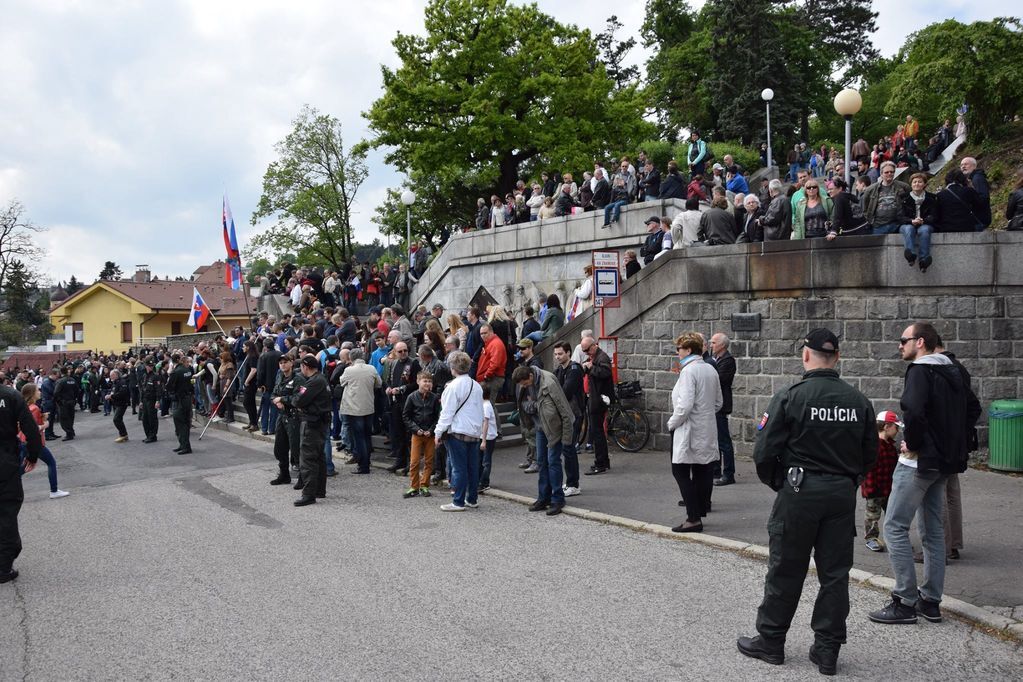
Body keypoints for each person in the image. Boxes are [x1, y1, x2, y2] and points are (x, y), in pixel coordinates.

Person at [738, 328, 877, 676]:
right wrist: (849, 481)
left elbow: (764, 451)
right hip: (840, 495)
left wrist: (780, 484)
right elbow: (870, 455)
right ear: (838, 358)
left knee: (786, 568)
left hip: (799, 492)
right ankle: (827, 651)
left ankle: (771, 642)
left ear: (805, 355)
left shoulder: (791, 396)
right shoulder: (858, 401)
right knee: (835, 575)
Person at [868, 322, 968, 626]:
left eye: (904, 340)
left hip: (917, 462)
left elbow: (913, 409)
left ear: (920, 342)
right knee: (933, 531)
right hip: (944, 461)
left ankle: (904, 601)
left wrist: (913, 442)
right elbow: (972, 409)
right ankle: (930, 601)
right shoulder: (955, 370)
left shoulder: (920, 370)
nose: (900, 346)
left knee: (895, 527)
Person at [667, 332, 723, 533]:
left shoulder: (689, 372)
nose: (677, 352)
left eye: (679, 349)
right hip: (706, 427)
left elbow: (685, 405)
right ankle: (700, 509)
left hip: (688, 428)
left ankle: (693, 517)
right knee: (702, 469)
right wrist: (704, 414)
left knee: (680, 470)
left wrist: (671, 423)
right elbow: (718, 402)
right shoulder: (710, 369)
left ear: (688, 350)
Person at [513, 364, 575, 516]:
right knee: (542, 462)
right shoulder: (525, 384)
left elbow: (565, 410)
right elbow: (524, 405)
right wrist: (534, 406)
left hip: (554, 429)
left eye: (525, 383)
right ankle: (544, 497)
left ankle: (557, 499)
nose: (524, 387)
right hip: (540, 427)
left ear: (530, 377)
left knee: (553, 462)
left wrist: (567, 439)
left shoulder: (549, 382)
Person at [0, 379, 43, 584]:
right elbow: (30, 428)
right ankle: (3, 567)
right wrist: (33, 455)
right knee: (7, 510)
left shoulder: (11, 395)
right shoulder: (10, 395)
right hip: (5, 462)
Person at [434, 351, 484, 512]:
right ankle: (472, 498)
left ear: (452, 367)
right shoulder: (476, 385)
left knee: (458, 467)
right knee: (472, 467)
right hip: (474, 431)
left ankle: (458, 501)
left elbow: (447, 412)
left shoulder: (452, 386)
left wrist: (438, 432)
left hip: (458, 431)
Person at [291, 356, 332, 506]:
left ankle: (309, 494)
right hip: (319, 421)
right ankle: (319, 490)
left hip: (312, 422)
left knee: (308, 458)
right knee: (318, 457)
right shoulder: (321, 379)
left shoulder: (314, 381)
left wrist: (298, 402)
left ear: (305, 366)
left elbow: (298, 400)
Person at [19, 384, 68, 500]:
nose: (40, 392)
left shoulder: (26, 406)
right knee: (51, 463)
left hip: (23, 440)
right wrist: (45, 424)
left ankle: (6, 485)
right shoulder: (34, 408)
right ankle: (54, 490)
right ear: (32, 394)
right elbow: (33, 428)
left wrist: (43, 417)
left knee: (21, 467)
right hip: (34, 442)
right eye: (37, 390)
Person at [863, 411, 902, 552]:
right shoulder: (874, 446)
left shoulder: (890, 445)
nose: (898, 430)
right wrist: (870, 489)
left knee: (893, 514)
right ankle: (871, 538)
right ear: (886, 426)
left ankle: (895, 539)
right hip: (875, 488)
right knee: (872, 515)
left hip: (889, 487)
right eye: (896, 427)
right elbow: (869, 469)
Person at [337, 348, 381, 475]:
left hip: (354, 408)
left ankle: (363, 465)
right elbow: (379, 383)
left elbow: (341, 381)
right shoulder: (371, 368)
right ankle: (366, 462)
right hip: (368, 407)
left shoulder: (349, 370)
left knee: (359, 437)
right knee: (367, 436)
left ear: (351, 358)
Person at [553, 341, 584, 498]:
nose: (558, 357)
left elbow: (565, 391)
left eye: (560, 354)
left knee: (569, 448)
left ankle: (573, 484)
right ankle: (571, 482)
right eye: (556, 354)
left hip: (574, 414)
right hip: (565, 415)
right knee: (567, 449)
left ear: (568, 353)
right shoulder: (559, 370)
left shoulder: (574, 370)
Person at [402, 371, 440, 498]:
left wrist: (432, 429)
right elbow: (406, 416)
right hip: (417, 434)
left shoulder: (434, 398)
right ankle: (414, 486)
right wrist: (415, 429)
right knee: (414, 461)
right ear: (418, 382)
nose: (427, 383)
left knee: (429, 461)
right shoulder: (412, 397)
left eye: (429, 381)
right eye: (425, 381)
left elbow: (437, 416)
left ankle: (424, 485)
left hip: (430, 434)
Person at [581, 336, 613, 475]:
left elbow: (605, 373)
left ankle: (600, 463)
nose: (587, 353)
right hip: (596, 398)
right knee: (597, 431)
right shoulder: (596, 356)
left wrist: (591, 368)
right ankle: (604, 461)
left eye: (587, 350)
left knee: (597, 432)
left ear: (594, 345)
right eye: (584, 351)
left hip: (598, 399)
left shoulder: (602, 357)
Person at [270, 354, 302, 485]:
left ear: (291, 363)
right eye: (280, 363)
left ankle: (303, 478)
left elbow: (298, 398)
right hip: (282, 415)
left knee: (296, 449)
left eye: (285, 362)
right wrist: (276, 401)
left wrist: (282, 399)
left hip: (294, 417)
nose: (282, 364)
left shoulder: (298, 379)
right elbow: (273, 394)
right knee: (279, 448)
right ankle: (284, 475)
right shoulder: (279, 376)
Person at [709, 333, 736, 487]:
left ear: (722, 345)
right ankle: (716, 471)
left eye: (714, 342)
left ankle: (729, 473)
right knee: (716, 440)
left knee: (724, 442)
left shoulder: (728, 361)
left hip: (721, 405)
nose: (711, 345)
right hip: (715, 404)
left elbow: (719, 380)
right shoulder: (716, 360)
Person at [900, 172, 941, 272]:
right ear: (911, 184)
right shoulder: (903, 198)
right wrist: (911, 221)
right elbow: (899, 216)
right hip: (908, 223)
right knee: (909, 229)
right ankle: (910, 255)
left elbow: (935, 215)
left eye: (919, 182)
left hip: (925, 223)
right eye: (914, 182)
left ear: (924, 184)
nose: (917, 184)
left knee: (925, 230)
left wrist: (923, 220)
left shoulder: (932, 198)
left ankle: (924, 260)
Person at [861, 161, 909, 234]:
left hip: (897, 225)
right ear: (881, 174)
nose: (889, 174)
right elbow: (865, 208)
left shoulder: (904, 187)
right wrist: (871, 221)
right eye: (886, 172)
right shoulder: (870, 190)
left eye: (891, 172)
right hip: (878, 226)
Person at [936, 168, 983, 233]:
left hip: (946, 227)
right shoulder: (969, 191)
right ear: (963, 179)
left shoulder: (940, 195)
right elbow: (980, 205)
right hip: (967, 226)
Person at [166, 354, 194, 455]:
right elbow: (191, 384)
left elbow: (169, 387)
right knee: (185, 423)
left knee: (180, 424)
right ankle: (183, 445)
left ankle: (185, 446)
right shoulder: (188, 370)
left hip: (180, 400)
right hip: (187, 398)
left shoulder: (176, 372)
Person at [477, 385, 499, 492]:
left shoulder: (486, 406)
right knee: (482, 460)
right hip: (485, 436)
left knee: (485, 461)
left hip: (487, 437)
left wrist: (484, 440)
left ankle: (484, 482)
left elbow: (485, 424)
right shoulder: (485, 404)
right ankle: (481, 481)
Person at [959, 157, 991, 229]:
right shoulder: (971, 179)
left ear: (974, 166)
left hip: (979, 218)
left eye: (966, 164)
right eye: (961, 165)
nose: (963, 167)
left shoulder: (977, 178)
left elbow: (983, 198)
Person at [139, 358, 162, 443]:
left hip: (152, 400)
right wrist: (141, 401)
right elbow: (142, 389)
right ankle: (148, 435)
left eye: (152, 366)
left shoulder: (155, 376)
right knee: (145, 418)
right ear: (146, 366)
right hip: (145, 399)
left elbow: (158, 389)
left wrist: (158, 400)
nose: (151, 367)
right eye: (149, 366)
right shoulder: (145, 376)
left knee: (152, 418)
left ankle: (153, 435)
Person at [52, 367, 77, 441]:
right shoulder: (72, 380)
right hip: (71, 401)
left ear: (61, 372)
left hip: (64, 403)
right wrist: (74, 399)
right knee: (70, 417)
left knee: (64, 419)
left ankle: (69, 434)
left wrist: (57, 401)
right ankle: (71, 431)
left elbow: (56, 392)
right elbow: (77, 390)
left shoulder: (60, 381)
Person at [107, 369, 130, 442]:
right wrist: (109, 395)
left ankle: (123, 434)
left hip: (122, 403)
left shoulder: (122, 382)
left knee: (116, 419)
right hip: (115, 403)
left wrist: (112, 396)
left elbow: (122, 393)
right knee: (119, 419)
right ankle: (123, 435)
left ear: (116, 375)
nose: (111, 377)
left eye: (112, 375)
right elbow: (113, 391)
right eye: (110, 375)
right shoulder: (114, 382)